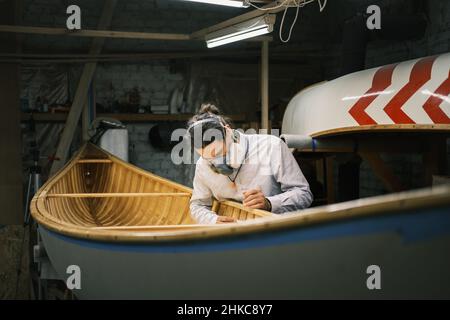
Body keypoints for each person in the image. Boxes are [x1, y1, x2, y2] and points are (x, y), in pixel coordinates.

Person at [187, 103, 313, 224]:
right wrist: (211, 220)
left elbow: (304, 194)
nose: (217, 162)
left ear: (228, 131)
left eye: (220, 152)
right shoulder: (202, 165)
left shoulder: (272, 147)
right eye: (209, 158)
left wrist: (269, 203)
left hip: (273, 228)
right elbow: (198, 204)